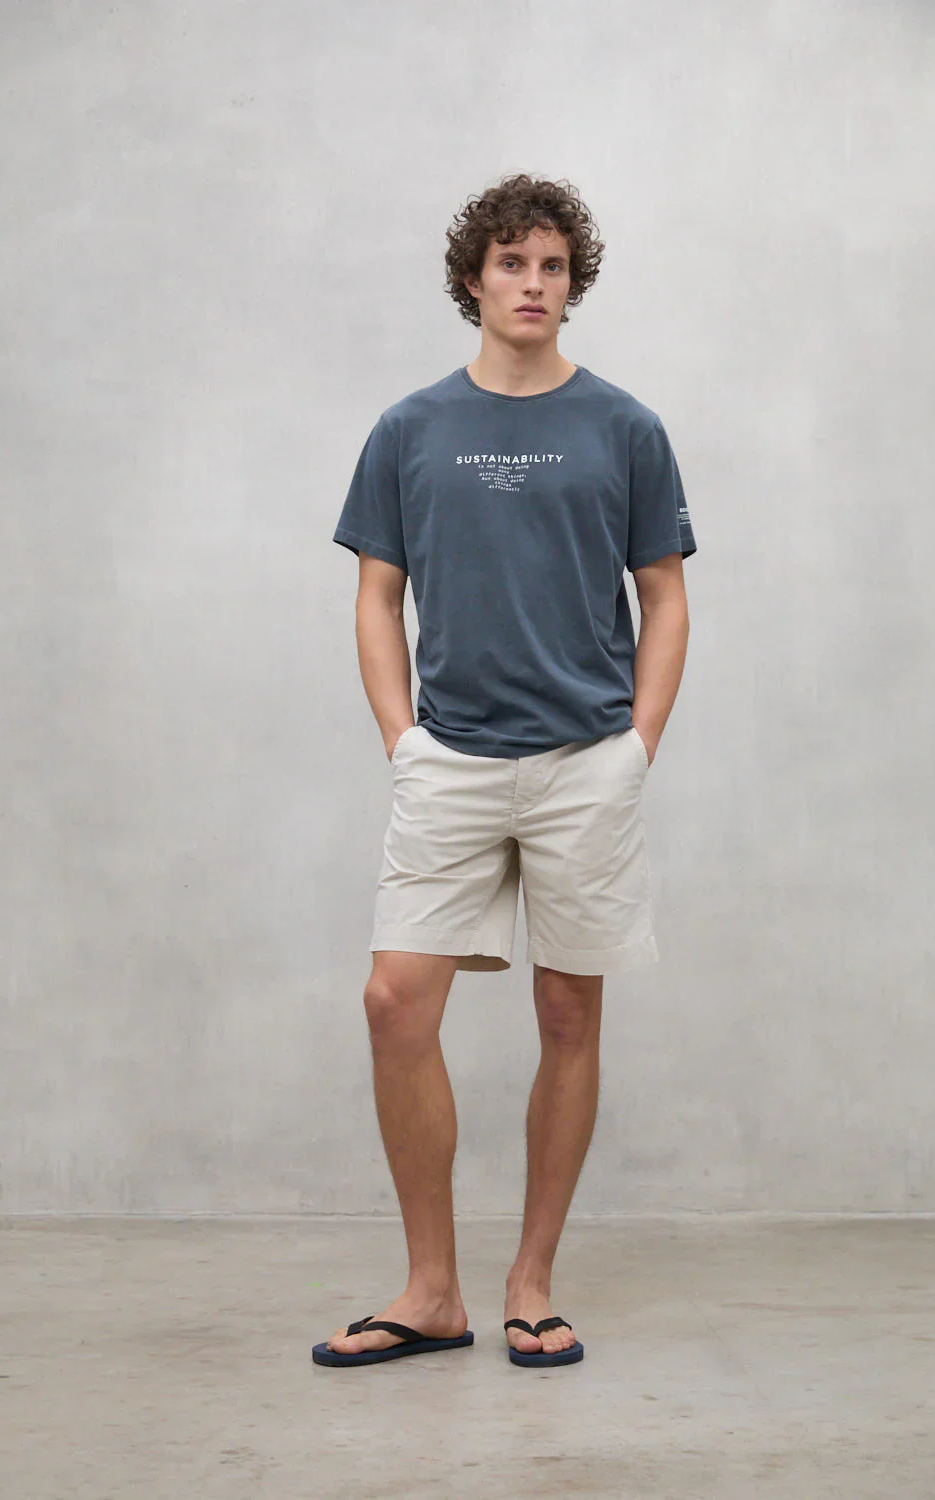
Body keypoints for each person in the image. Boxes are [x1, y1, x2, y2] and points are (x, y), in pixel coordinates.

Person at [313, 172, 696, 1370]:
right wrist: (402, 737)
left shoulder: (624, 427)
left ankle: (531, 1282)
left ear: (571, 285)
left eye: (552, 267)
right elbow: (376, 596)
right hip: (452, 760)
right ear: (472, 280)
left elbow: (664, 597)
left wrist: (635, 746)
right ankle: (431, 1291)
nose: (532, 284)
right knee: (394, 1004)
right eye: (511, 263)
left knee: (568, 1012)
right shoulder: (410, 428)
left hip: (586, 760)